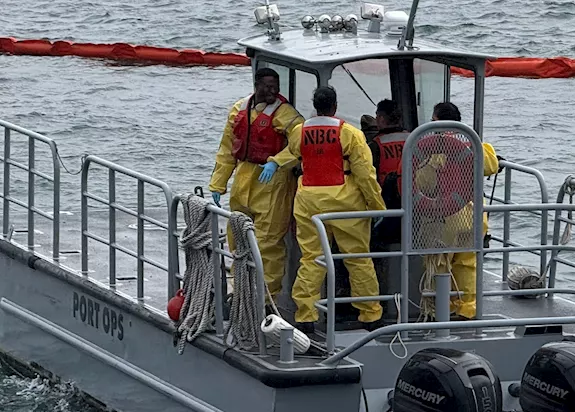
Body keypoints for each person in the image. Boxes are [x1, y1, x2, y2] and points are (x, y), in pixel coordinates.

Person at [267, 85, 385, 335]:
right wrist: (377, 206)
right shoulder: (350, 133)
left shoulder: (300, 131)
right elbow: (365, 174)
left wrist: (273, 163)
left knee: (312, 258)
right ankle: (370, 314)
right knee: (357, 259)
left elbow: (292, 155)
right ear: (335, 106)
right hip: (345, 202)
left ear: (315, 106)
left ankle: (306, 315)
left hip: (309, 201)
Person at [207, 67, 302, 300]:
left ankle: (266, 299)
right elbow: (227, 148)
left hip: (273, 181)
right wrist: (218, 183)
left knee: (268, 243)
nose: (272, 91)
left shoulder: (286, 115)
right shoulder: (239, 109)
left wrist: (277, 162)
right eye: (268, 86)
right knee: (236, 235)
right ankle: (239, 290)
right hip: (244, 176)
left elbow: (300, 144)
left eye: (275, 87)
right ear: (256, 85)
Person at [411, 101, 499, 320]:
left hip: (444, 218)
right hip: (475, 217)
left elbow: (423, 181)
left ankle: (442, 309)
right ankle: (468, 309)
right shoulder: (474, 143)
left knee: (438, 263)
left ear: (436, 121)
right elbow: (492, 165)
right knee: (467, 263)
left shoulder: (433, 148)